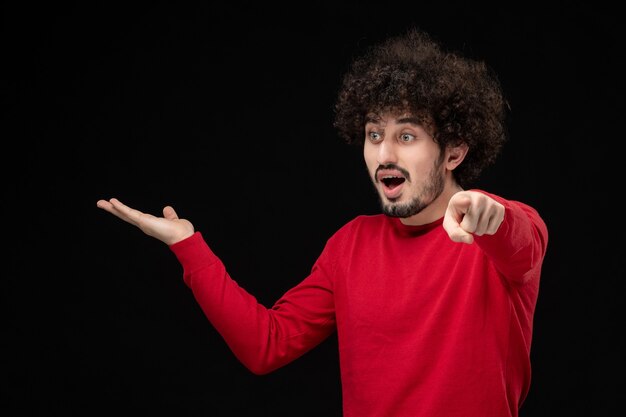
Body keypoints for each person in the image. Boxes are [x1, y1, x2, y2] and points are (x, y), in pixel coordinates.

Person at [97, 26, 549, 417]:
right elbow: (266, 345)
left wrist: (490, 215)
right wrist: (188, 245)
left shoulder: (505, 228)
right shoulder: (350, 245)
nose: (385, 154)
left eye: (406, 135)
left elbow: (517, 239)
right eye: (375, 135)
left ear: (454, 152)